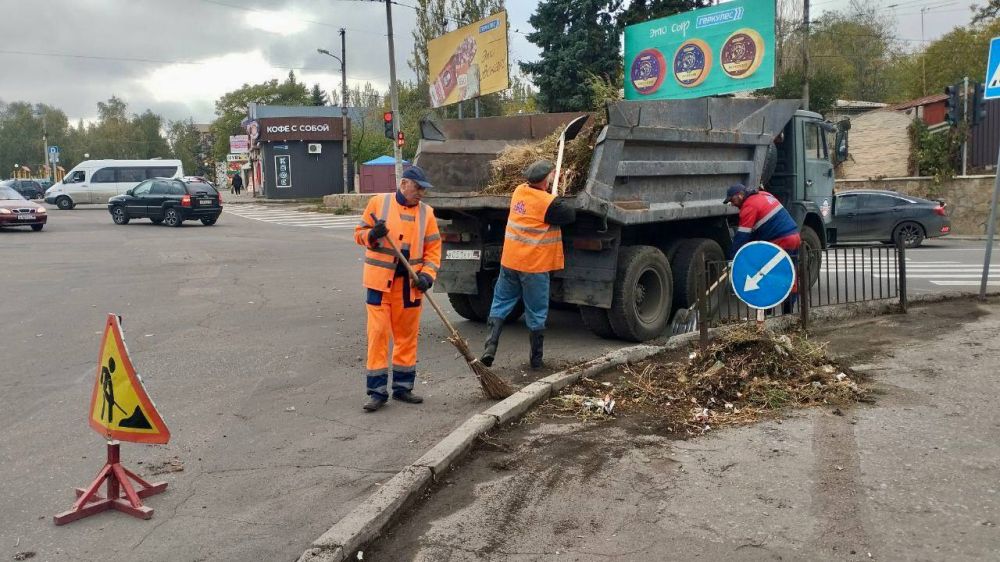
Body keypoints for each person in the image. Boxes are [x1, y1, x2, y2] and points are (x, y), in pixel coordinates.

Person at [353, 166, 441, 412]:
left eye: (424, 189)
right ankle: (377, 391)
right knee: (378, 335)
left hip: (409, 287)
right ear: (404, 184)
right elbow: (358, 234)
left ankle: (403, 387)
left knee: (406, 337)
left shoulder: (428, 214)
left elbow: (433, 251)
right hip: (379, 284)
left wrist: (427, 276)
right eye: (418, 187)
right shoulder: (378, 203)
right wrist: (373, 234)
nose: (421, 192)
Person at [480, 160, 576, 369]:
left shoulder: (519, 192)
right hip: (534, 266)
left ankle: (490, 347)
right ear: (546, 179)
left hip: (510, 262)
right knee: (536, 311)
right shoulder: (547, 202)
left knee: (500, 302)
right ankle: (536, 360)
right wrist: (555, 196)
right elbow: (570, 215)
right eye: (551, 176)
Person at [724, 183, 801, 312]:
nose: (732, 204)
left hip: (780, 240)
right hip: (794, 237)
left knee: (768, 276)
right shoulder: (764, 195)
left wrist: (732, 258)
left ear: (740, 195)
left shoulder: (749, 207)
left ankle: (768, 311)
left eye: (732, 200)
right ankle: (789, 312)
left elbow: (742, 236)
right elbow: (759, 229)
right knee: (789, 273)